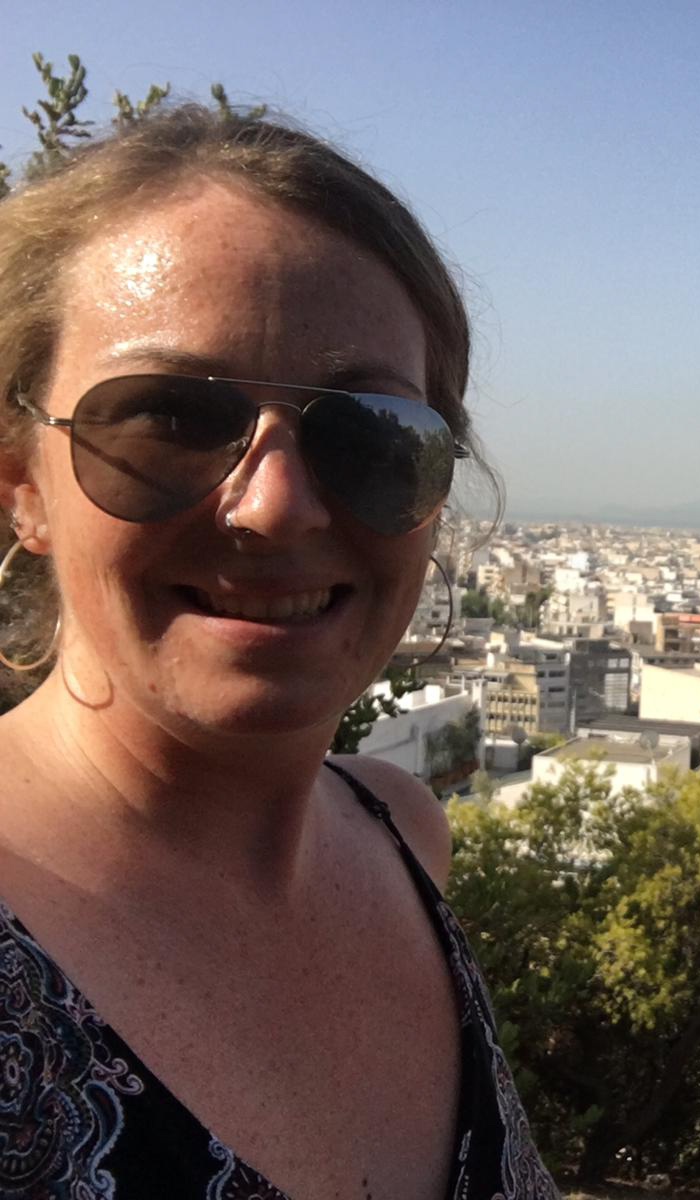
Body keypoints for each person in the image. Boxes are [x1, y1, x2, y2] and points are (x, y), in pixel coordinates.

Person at [0, 106, 560, 1198]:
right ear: (23, 483)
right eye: (165, 419)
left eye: (371, 431)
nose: (278, 505)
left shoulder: (400, 831)